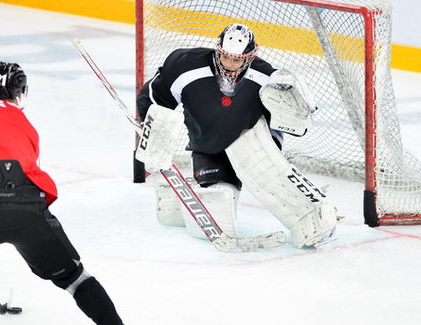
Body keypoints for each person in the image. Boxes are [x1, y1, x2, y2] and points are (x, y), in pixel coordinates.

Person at [0, 61, 125, 325]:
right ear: (20, 92)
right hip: (31, 208)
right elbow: (23, 180)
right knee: (76, 278)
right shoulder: (28, 128)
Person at [135, 23, 337, 248]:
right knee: (218, 202)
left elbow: (298, 124)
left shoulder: (267, 77)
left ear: (250, 57)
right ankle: (185, 198)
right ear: (218, 50)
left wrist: (295, 111)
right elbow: (155, 96)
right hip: (208, 144)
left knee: (271, 178)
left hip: (251, 140)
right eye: (226, 57)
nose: (230, 64)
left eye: (237, 59)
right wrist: (151, 126)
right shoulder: (185, 66)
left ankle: (316, 217)